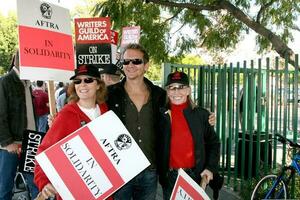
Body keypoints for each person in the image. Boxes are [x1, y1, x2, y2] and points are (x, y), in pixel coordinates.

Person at [107, 43, 216, 200]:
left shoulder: (158, 95)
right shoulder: (110, 94)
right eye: (126, 61)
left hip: (149, 171)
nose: (130, 65)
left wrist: (207, 118)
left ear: (146, 65)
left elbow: (185, 109)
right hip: (120, 171)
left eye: (136, 61)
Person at [34, 64, 108, 200]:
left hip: (102, 188)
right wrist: (43, 182)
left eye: (88, 80)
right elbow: (44, 152)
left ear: (98, 85)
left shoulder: (106, 112)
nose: (82, 85)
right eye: (77, 81)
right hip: (73, 191)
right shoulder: (65, 115)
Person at [157, 71, 220, 200]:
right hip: (170, 176)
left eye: (181, 87)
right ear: (167, 92)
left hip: (195, 176)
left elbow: (213, 144)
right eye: (172, 88)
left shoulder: (201, 115)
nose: (176, 92)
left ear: (189, 90)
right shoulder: (160, 115)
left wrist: (209, 168)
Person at [0, 50, 39, 200]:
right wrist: (7, 142)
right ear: (17, 58)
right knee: (5, 187)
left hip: (29, 143)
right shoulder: (5, 81)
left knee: (35, 183)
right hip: (11, 145)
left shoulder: (27, 83)